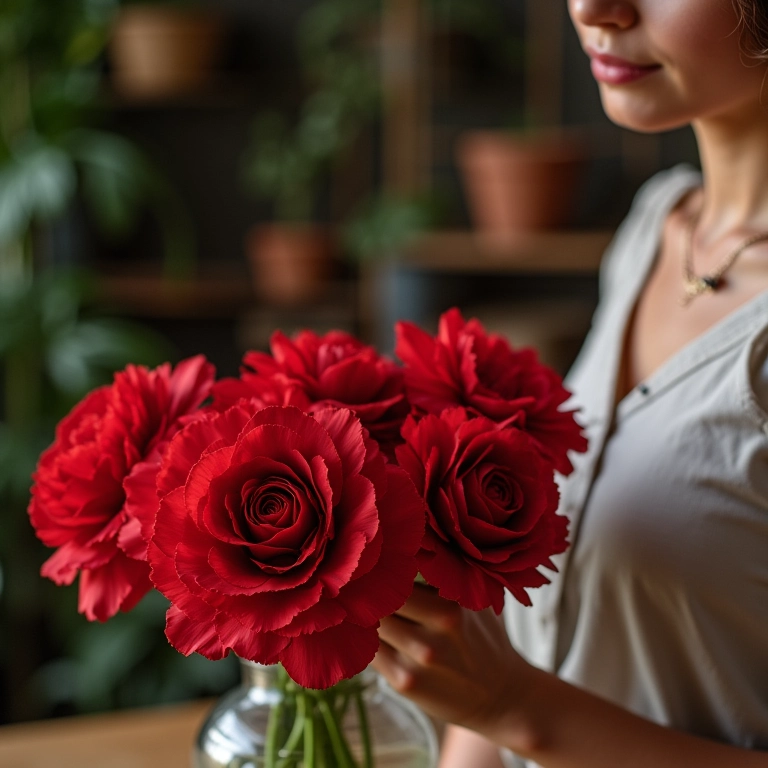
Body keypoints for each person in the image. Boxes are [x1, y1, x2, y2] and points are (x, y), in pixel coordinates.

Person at [371, 1, 768, 766]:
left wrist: (513, 706)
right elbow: (529, 663)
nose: (593, 6)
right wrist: (490, 711)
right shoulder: (658, 228)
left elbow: (518, 699)